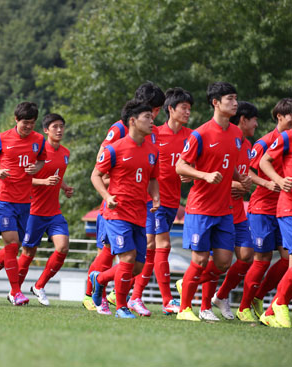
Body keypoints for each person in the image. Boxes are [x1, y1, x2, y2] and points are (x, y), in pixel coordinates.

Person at [84, 82, 165, 313]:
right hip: (116, 207)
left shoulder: (151, 141)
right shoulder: (119, 132)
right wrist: (110, 193)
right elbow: (99, 170)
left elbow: (151, 175)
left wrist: (155, 196)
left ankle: (99, 281)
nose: (154, 118)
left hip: (140, 208)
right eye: (151, 112)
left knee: (136, 263)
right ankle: (118, 303)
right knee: (118, 254)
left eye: (155, 113)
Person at [174, 82, 250, 321]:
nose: (235, 103)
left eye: (236, 98)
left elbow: (230, 167)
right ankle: (185, 309)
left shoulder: (237, 134)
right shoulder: (201, 133)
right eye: (230, 99)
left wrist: (242, 179)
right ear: (216, 103)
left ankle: (189, 285)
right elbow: (180, 166)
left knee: (224, 262)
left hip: (224, 209)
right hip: (200, 208)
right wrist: (204, 174)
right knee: (199, 260)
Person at [0, 101, 46, 306]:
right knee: (12, 243)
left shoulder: (39, 140)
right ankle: (16, 292)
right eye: (25, 123)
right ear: (16, 120)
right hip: (4, 199)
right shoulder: (2, 138)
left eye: (32, 123)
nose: (28, 127)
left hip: (25, 201)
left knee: (14, 248)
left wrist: (37, 168)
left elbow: (42, 160)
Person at [239, 98, 292, 319]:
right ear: (280, 117)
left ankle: (261, 297)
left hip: (281, 207)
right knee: (260, 260)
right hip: (262, 207)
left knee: (285, 259)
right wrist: (271, 182)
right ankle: (243, 307)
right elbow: (249, 172)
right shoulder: (264, 142)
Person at [17, 113, 74, 306]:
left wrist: (65, 187)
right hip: (33, 210)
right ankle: (14, 290)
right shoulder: (37, 151)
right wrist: (44, 181)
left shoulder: (65, 153)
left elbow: (57, 174)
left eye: (61, 126)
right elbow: (23, 178)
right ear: (46, 130)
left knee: (63, 247)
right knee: (28, 253)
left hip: (53, 212)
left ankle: (39, 286)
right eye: (55, 126)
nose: (59, 130)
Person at [146, 87, 194, 315]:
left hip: (173, 200)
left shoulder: (192, 136)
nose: (188, 112)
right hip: (152, 199)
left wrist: (190, 172)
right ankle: (167, 300)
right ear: (170, 109)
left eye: (190, 109)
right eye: (184, 108)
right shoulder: (153, 132)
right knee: (159, 246)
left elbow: (195, 166)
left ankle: (111, 284)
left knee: (151, 249)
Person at [210, 102, 258, 321]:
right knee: (221, 260)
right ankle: (195, 278)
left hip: (238, 209)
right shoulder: (224, 139)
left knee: (247, 256)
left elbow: (242, 174)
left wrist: (246, 184)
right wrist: (236, 186)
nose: (257, 124)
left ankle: (220, 295)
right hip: (218, 207)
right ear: (243, 120)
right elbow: (213, 175)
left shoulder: (247, 145)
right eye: (254, 120)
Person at [257, 108, 292, 327]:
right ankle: (275, 304)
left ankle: (270, 311)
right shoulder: (287, 136)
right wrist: (280, 181)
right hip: (288, 208)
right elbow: (263, 162)